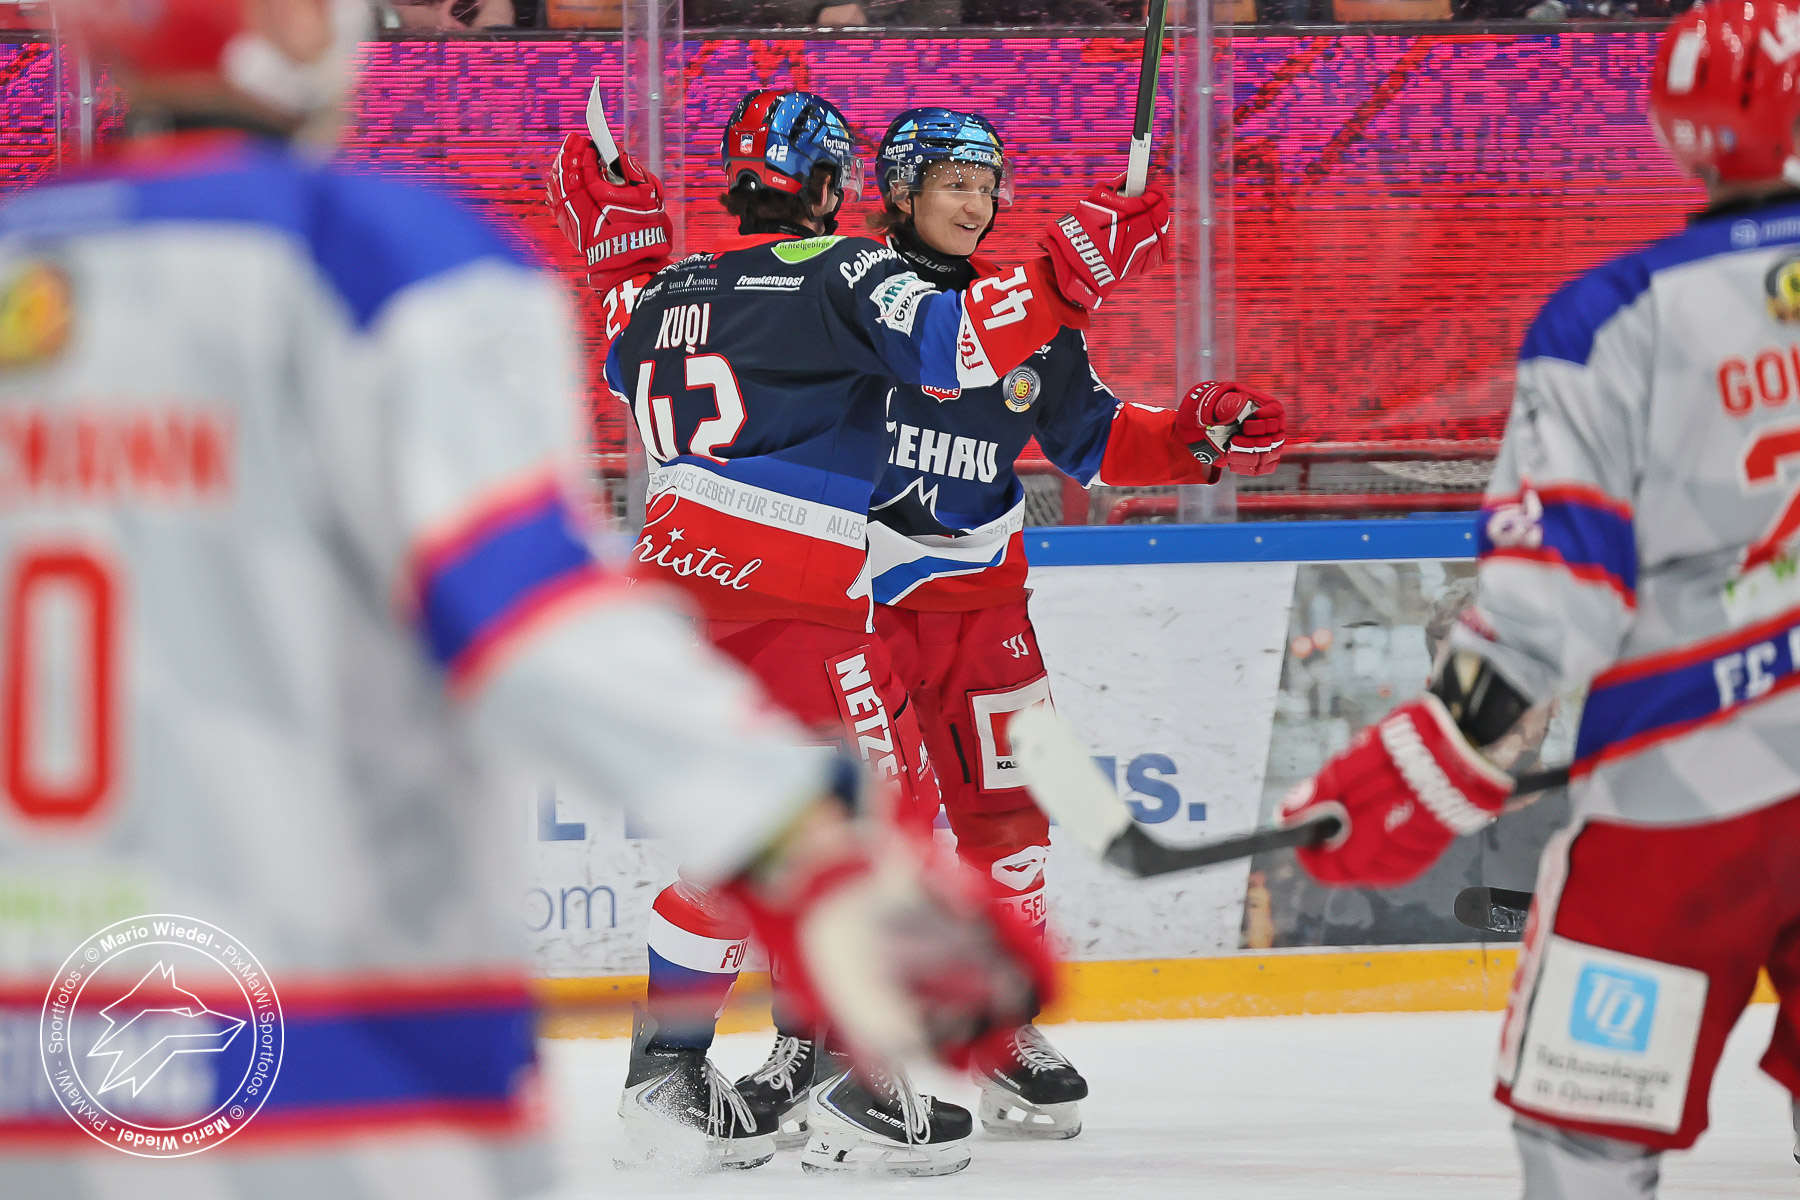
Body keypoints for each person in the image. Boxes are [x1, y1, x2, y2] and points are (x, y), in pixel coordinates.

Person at [0, 7, 1051, 1198]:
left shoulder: (24, 262)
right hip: (341, 1022)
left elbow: (645, 353)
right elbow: (525, 614)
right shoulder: (379, 254)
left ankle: (673, 1066)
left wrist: (626, 272)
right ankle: (835, 1075)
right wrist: (797, 839)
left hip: (52, 1027)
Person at [547, 86, 1170, 1175]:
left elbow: (619, 332)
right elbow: (955, 345)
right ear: (835, 183)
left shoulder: (670, 288)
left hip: (676, 599)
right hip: (792, 601)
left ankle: (665, 1078)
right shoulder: (840, 269)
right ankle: (859, 1092)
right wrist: (1068, 272)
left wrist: (616, 249)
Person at [1278, 1, 1800, 1193]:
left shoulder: (1614, 315)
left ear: (1680, 127)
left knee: (1584, 1138)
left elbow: (1553, 598)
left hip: (1684, 796)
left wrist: (1425, 766)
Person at [720, 107, 1289, 1146]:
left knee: (1010, 823)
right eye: (954, 184)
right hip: (856, 605)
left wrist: (1195, 437)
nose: (976, 204)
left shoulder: (1029, 319)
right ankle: (812, 1043)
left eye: (988, 187)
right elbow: (927, 352)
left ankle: (998, 1027)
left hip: (985, 610)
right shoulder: (849, 291)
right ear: (897, 193)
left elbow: (1097, 440)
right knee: (850, 838)